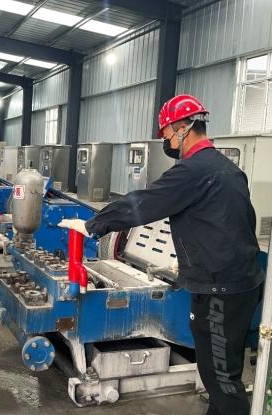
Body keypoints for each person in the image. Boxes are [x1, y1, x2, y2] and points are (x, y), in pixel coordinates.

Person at [59, 94, 264, 415]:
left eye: (166, 133)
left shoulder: (193, 170)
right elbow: (235, 226)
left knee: (222, 379)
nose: (166, 141)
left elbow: (144, 202)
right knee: (220, 373)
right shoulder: (226, 168)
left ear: (184, 128)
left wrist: (92, 224)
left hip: (220, 290)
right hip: (237, 282)